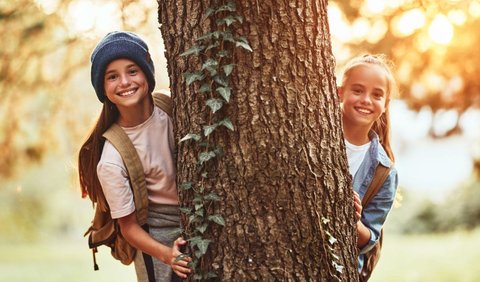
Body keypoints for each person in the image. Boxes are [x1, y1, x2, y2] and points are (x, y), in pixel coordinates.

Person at [78, 31, 191, 281]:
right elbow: (128, 227)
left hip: (197, 217)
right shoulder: (112, 158)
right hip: (156, 238)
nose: (125, 82)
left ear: (147, 73)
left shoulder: (172, 106)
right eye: (112, 76)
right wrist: (166, 255)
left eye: (132, 71)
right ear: (103, 88)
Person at [337, 54, 399, 273]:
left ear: (385, 105)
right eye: (357, 90)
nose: (366, 100)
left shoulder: (384, 172)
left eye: (377, 95)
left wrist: (351, 218)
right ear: (340, 92)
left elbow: (368, 239)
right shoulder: (312, 136)